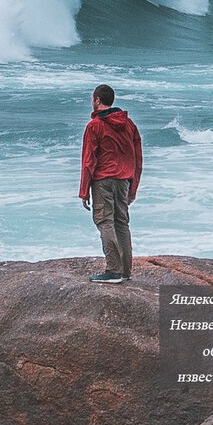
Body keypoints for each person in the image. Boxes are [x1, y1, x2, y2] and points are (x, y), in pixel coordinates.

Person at [79, 84, 142, 283]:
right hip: (124, 180)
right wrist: (133, 187)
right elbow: (137, 157)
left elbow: (89, 160)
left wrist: (83, 191)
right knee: (122, 223)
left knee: (105, 221)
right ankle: (126, 271)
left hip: (103, 180)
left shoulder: (94, 126)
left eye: (93, 99)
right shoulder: (129, 124)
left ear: (97, 100)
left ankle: (113, 270)